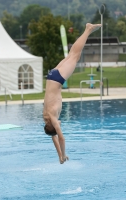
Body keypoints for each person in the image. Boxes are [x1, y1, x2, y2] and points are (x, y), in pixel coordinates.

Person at [43, 23, 101, 164]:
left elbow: (61, 138)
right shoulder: (46, 117)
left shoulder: (53, 119)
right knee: (73, 55)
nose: (59, 126)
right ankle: (87, 31)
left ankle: (88, 29)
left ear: (54, 126)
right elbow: (54, 137)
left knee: (74, 56)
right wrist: (60, 157)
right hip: (52, 76)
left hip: (57, 79)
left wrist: (64, 154)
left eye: (57, 127)